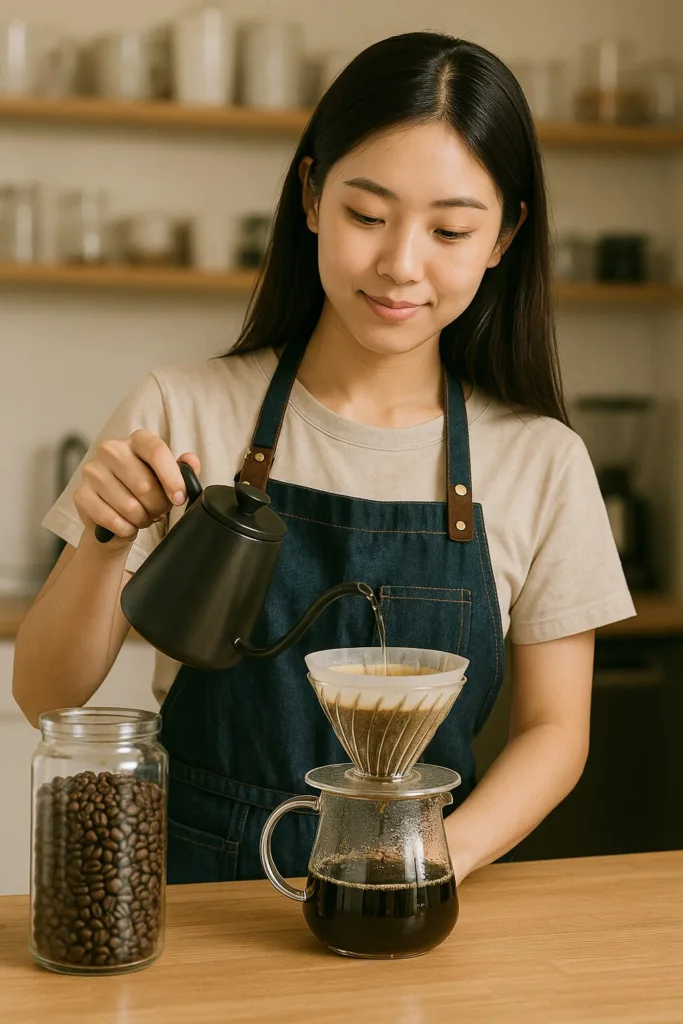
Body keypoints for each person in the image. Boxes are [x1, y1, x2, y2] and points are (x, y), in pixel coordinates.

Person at [13, 32, 635, 885]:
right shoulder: (183, 410)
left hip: (411, 895)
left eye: (450, 229)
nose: (399, 265)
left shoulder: (540, 460)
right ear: (310, 195)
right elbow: (46, 696)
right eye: (366, 215)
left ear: (502, 238)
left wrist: (421, 863)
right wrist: (104, 543)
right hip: (199, 897)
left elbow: (556, 733)